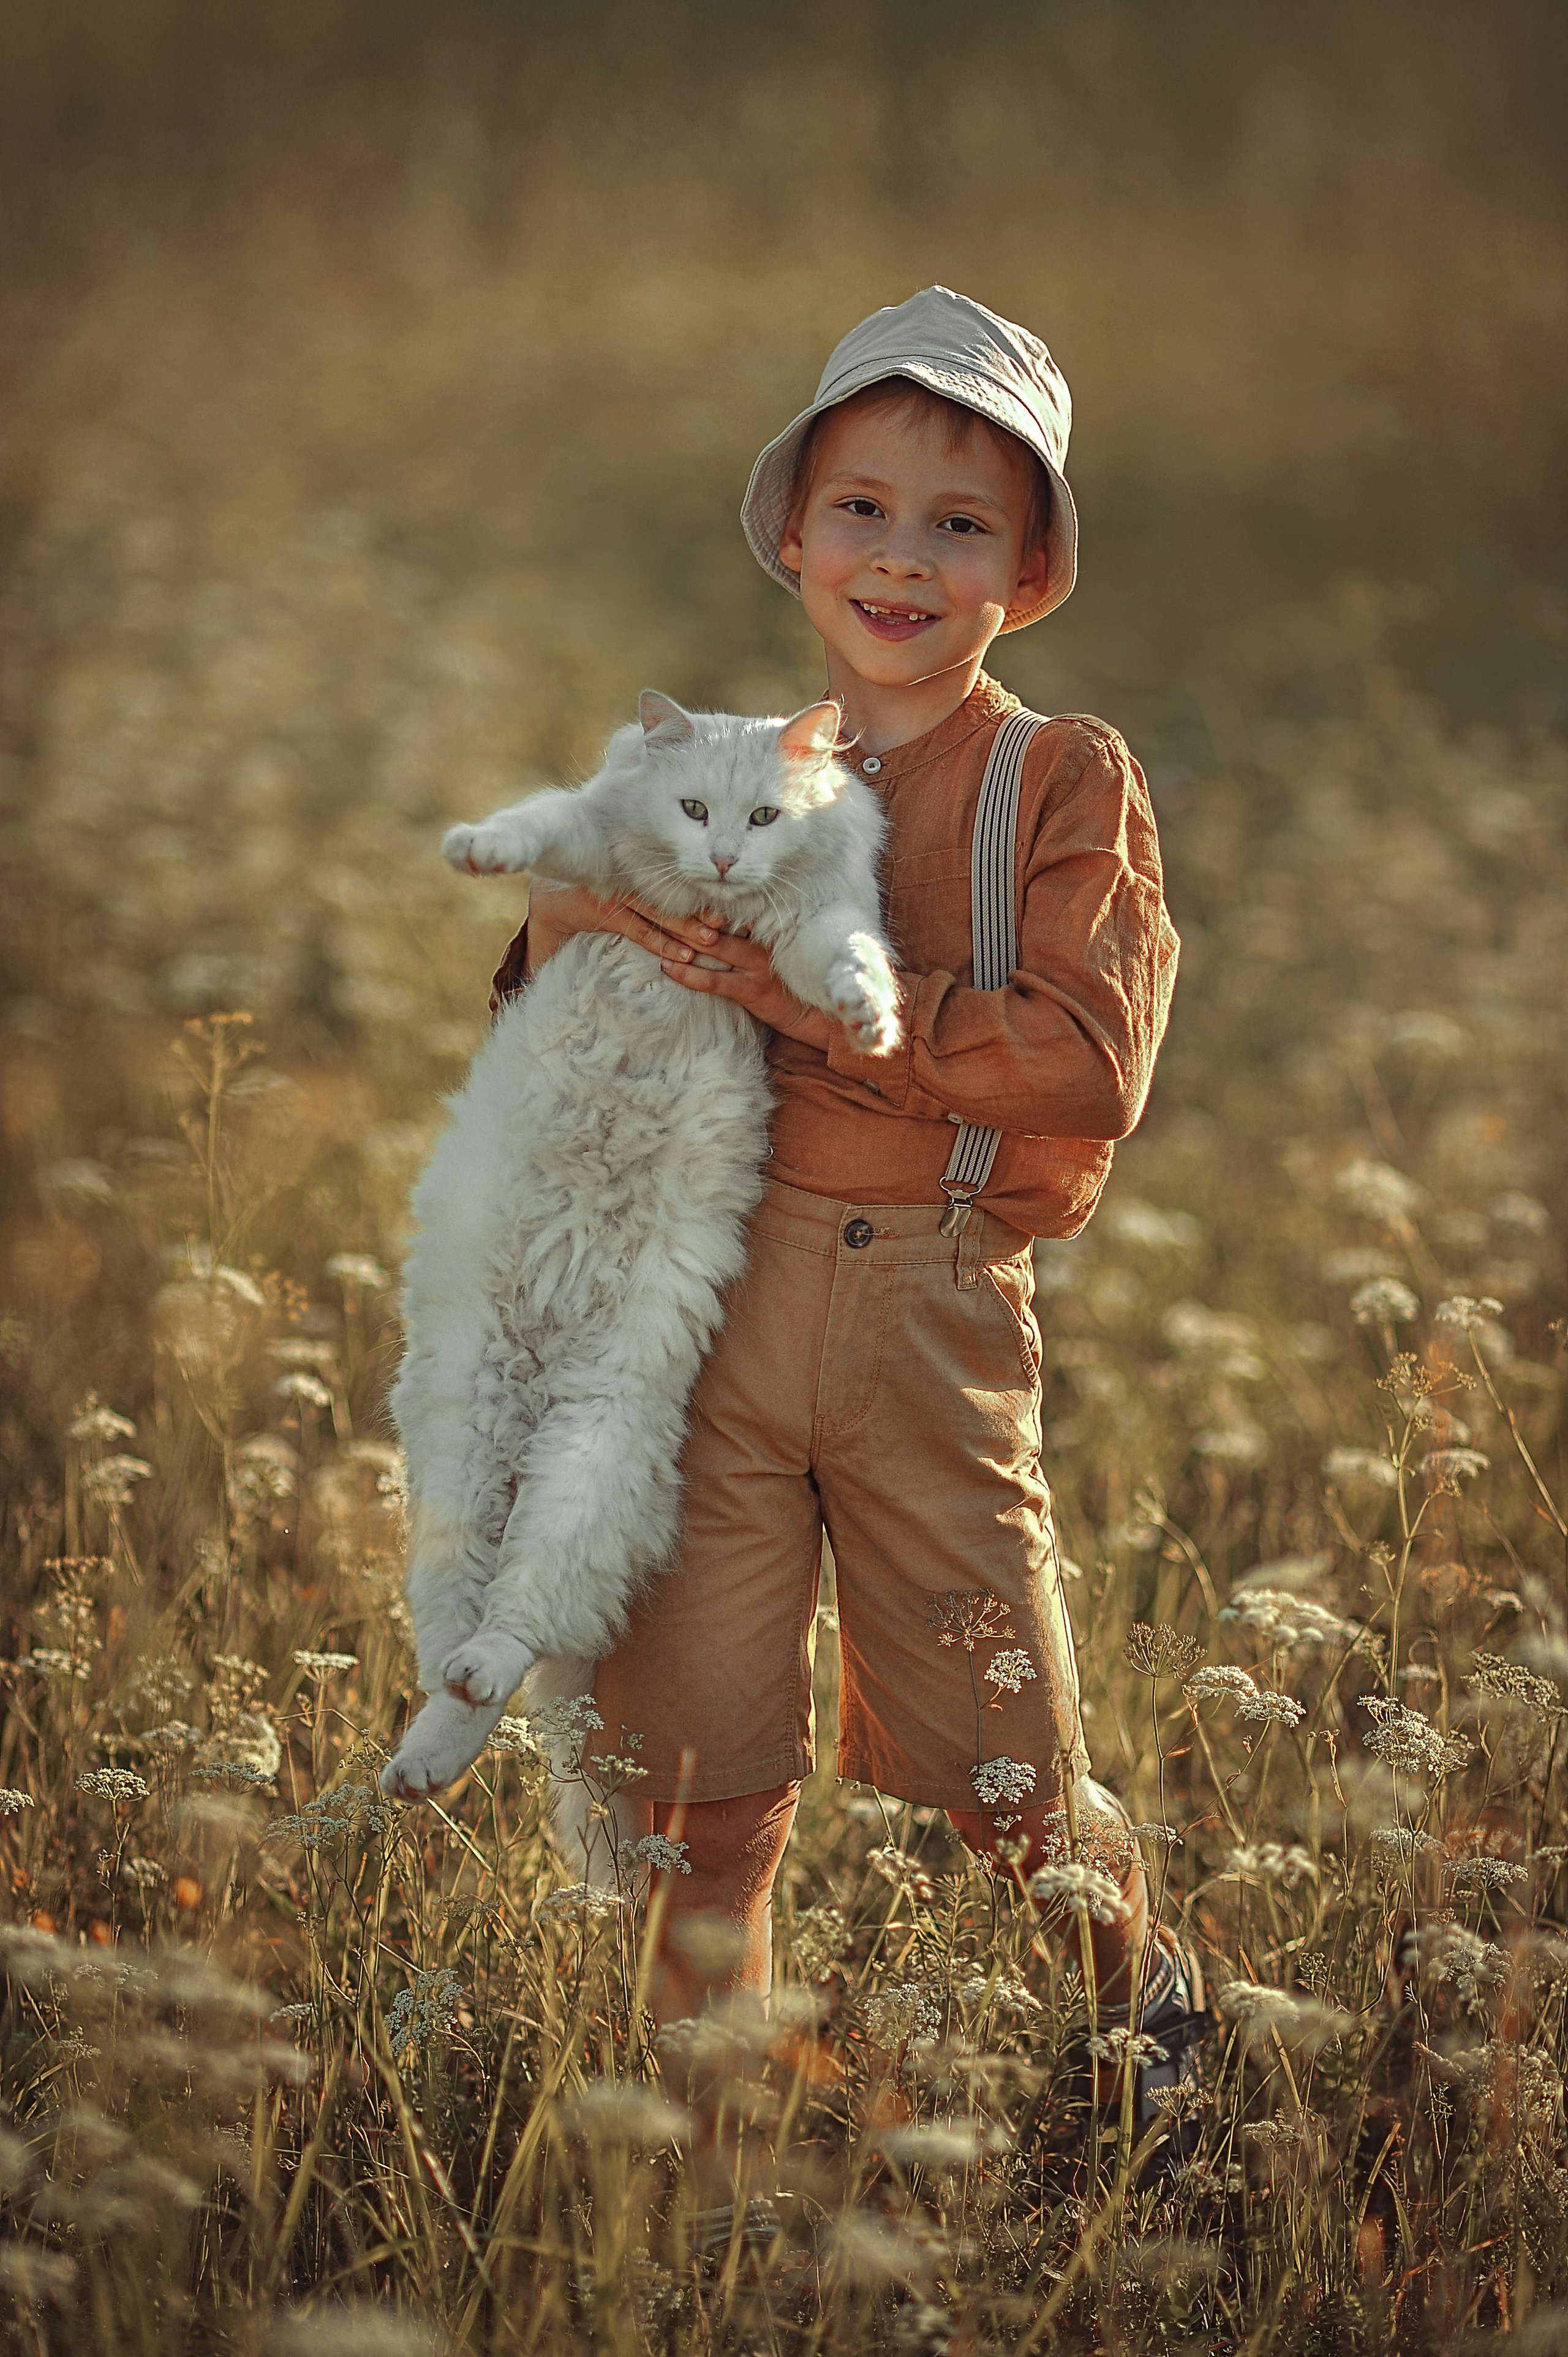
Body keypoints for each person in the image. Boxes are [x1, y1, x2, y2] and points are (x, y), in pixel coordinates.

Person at [488, 286, 1200, 2179]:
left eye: (960, 524)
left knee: (1006, 1765)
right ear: (794, 532)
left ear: (1029, 568)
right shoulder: (721, 768)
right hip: (701, 1306)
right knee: (697, 1770)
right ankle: (707, 2147)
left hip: (926, 1319)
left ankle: (1154, 2010)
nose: (902, 558)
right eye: (863, 510)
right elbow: (566, 1045)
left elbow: (1084, 1066)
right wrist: (561, 936)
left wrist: (824, 1015)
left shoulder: (1058, 781)